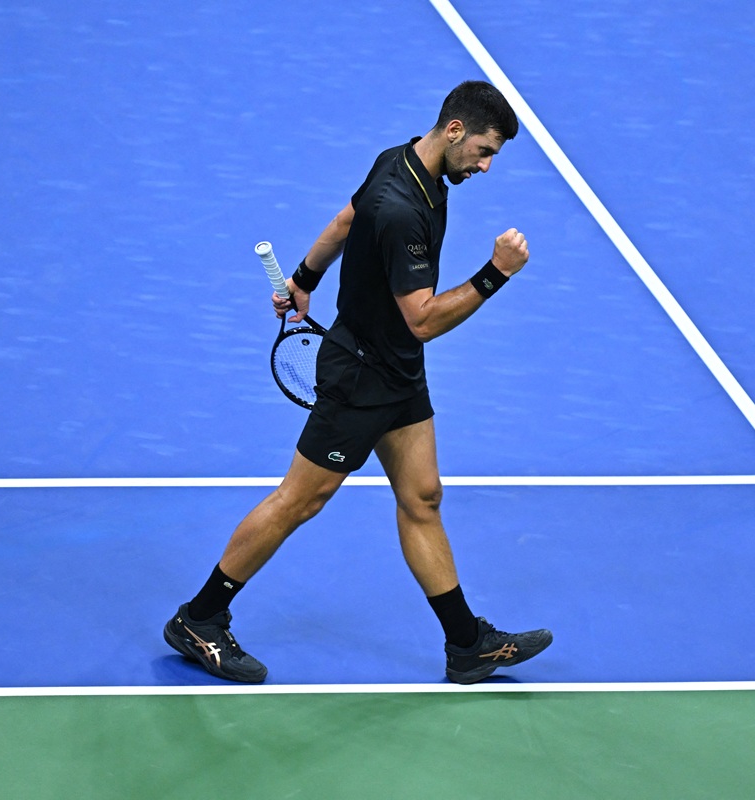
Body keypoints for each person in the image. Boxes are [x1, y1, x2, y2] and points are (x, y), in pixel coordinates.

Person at [164, 80, 551, 685]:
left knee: (422, 498)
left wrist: (304, 274)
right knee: (300, 500)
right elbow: (422, 320)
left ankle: (466, 645)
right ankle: (200, 618)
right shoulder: (403, 210)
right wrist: (495, 274)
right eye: (484, 151)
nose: (486, 166)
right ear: (455, 131)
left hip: (397, 369)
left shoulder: (403, 160)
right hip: (362, 376)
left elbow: (347, 219)